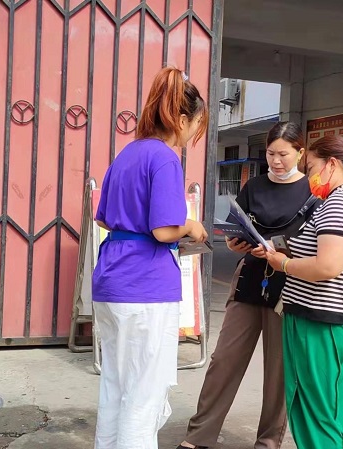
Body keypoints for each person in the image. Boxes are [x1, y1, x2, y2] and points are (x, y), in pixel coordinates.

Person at [179, 122, 320, 449]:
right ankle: (198, 436)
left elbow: (318, 245)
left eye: (284, 154)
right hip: (249, 281)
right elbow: (235, 230)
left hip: (290, 286)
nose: (276, 161)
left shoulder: (313, 191)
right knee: (224, 361)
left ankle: (267, 442)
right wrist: (236, 244)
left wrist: (281, 252)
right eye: (270, 154)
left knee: (279, 371)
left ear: (300, 153)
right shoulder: (254, 186)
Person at [92, 67, 208, 449]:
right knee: (144, 397)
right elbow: (163, 230)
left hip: (111, 282)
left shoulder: (126, 154)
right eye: (196, 125)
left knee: (115, 388)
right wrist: (191, 225)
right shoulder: (165, 159)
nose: (193, 135)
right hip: (146, 288)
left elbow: (104, 218)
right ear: (182, 119)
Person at [260, 135, 343, 449]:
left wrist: (284, 264)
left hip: (320, 321)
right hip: (323, 319)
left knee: (317, 411)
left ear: (331, 164)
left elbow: (328, 266)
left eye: (311, 167)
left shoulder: (340, 202)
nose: (309, 176)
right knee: (326, 407)